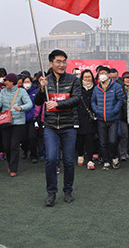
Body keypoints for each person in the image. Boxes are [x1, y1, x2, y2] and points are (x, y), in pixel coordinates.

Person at [34, 50, 81, 206]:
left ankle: (68, 190)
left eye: (64, 61)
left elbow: (76, 99)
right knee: (51, 159)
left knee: (68, 160)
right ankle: (51, 192)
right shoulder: (45, 81)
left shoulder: (73, 80)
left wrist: (58, 104)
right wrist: (41, 89)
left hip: (69, 126)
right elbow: (38, 102)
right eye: (58, 62)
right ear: (51, 63)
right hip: (50, 126)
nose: (62, 65)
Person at [0, 73, 33, 177]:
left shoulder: (21, 91)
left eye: (7, 81)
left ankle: (14, 168)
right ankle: (9, 163)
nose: (5, 83)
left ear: (12, 81)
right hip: (6, 121)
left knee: (14, 145)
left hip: (18, 122)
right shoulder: (3, 91)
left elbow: (29, 104)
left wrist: (21, 108)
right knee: (6, 145)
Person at [91, 66, 125, 170]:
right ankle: (106, 161)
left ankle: (114, 157)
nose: (102, 75)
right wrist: (96, 111)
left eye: (104, 73)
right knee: (102, 142)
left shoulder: (116, 86)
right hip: (101, 119)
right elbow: (93, 101)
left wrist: (115, 110)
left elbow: (121, 100)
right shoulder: (97, 88)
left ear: (109, 74)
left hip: (113, 119)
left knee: (113, 141)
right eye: (100, 73)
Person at [76, 69, 97, 170]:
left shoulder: (96, 88)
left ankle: (90, 160)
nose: (88, 79)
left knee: (90, 139)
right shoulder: (78, 88)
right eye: (85, 77)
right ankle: (80, 155)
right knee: (80, 138)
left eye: (89, 77)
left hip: (91, 117)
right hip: (80, 116)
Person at [21, 75, 40, 163]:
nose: (26, 84)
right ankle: (25, 150)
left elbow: (37, 104)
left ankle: (34, 155)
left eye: (28, 82)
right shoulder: (20, 92)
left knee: (32, 137)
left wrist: (35, 115)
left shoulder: (35, 92)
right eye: (25, 82)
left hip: (32, 118)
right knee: (23, 138)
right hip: (22, 118)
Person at [119, 71, 129, 160]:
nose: (128, 80)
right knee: (124, 135)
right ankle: (122, 153)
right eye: (126, 78)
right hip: (122, 116)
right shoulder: (120, 88)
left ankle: (128, 150)